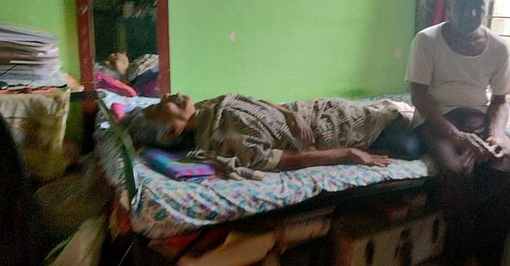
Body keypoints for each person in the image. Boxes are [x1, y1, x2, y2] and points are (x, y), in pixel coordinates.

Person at [405, 0, 510, 266]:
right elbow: (418, 96)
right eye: (463, 3)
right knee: (456, 174)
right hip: (437, 119)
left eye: (479, 5)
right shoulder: (427, 40)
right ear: (449, 2)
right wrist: (455, 135)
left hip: (477, 119)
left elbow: (500, 100)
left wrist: (496, 134)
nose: (471, 12)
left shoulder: (499, 47)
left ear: (488, 6)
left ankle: (482, 261)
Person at [119, 92, 415, 179]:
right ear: (173, 132)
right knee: (398, 119)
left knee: (388, 111)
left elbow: (255, 103)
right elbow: (292, 159)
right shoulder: (223, 139)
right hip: (328, 130)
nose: (167, 96)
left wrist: (289, 113)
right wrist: (350, 154)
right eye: (160, 107)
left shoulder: (206, 108)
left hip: (307, 110)